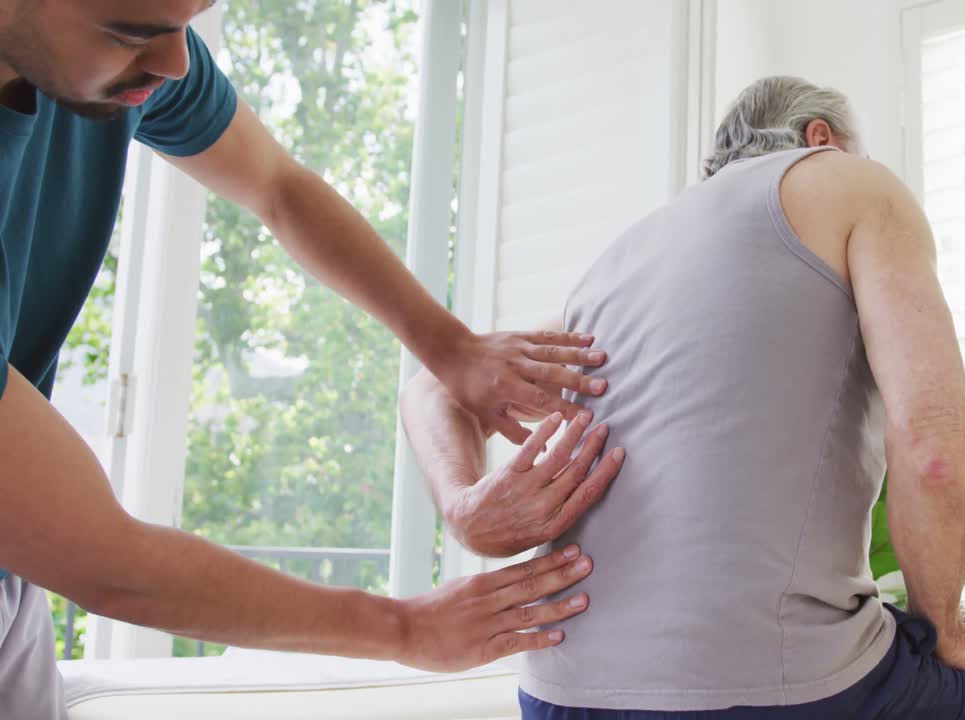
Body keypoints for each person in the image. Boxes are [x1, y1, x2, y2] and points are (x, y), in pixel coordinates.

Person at [0, 2, 626, 718]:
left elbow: (278, 186)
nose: (177, 62)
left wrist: (453, 348)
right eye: (135, 33)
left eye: (191, 22)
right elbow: (110, 565)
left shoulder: (116, 54)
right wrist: (406, 628)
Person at [403, 76, 965, 718]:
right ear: (822, 141)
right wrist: (948, 630)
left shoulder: (620, 261)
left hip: (554, 692)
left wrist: (462, 506)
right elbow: (937, 449)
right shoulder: (850, 183)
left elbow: (432, 386)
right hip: (781, 687)